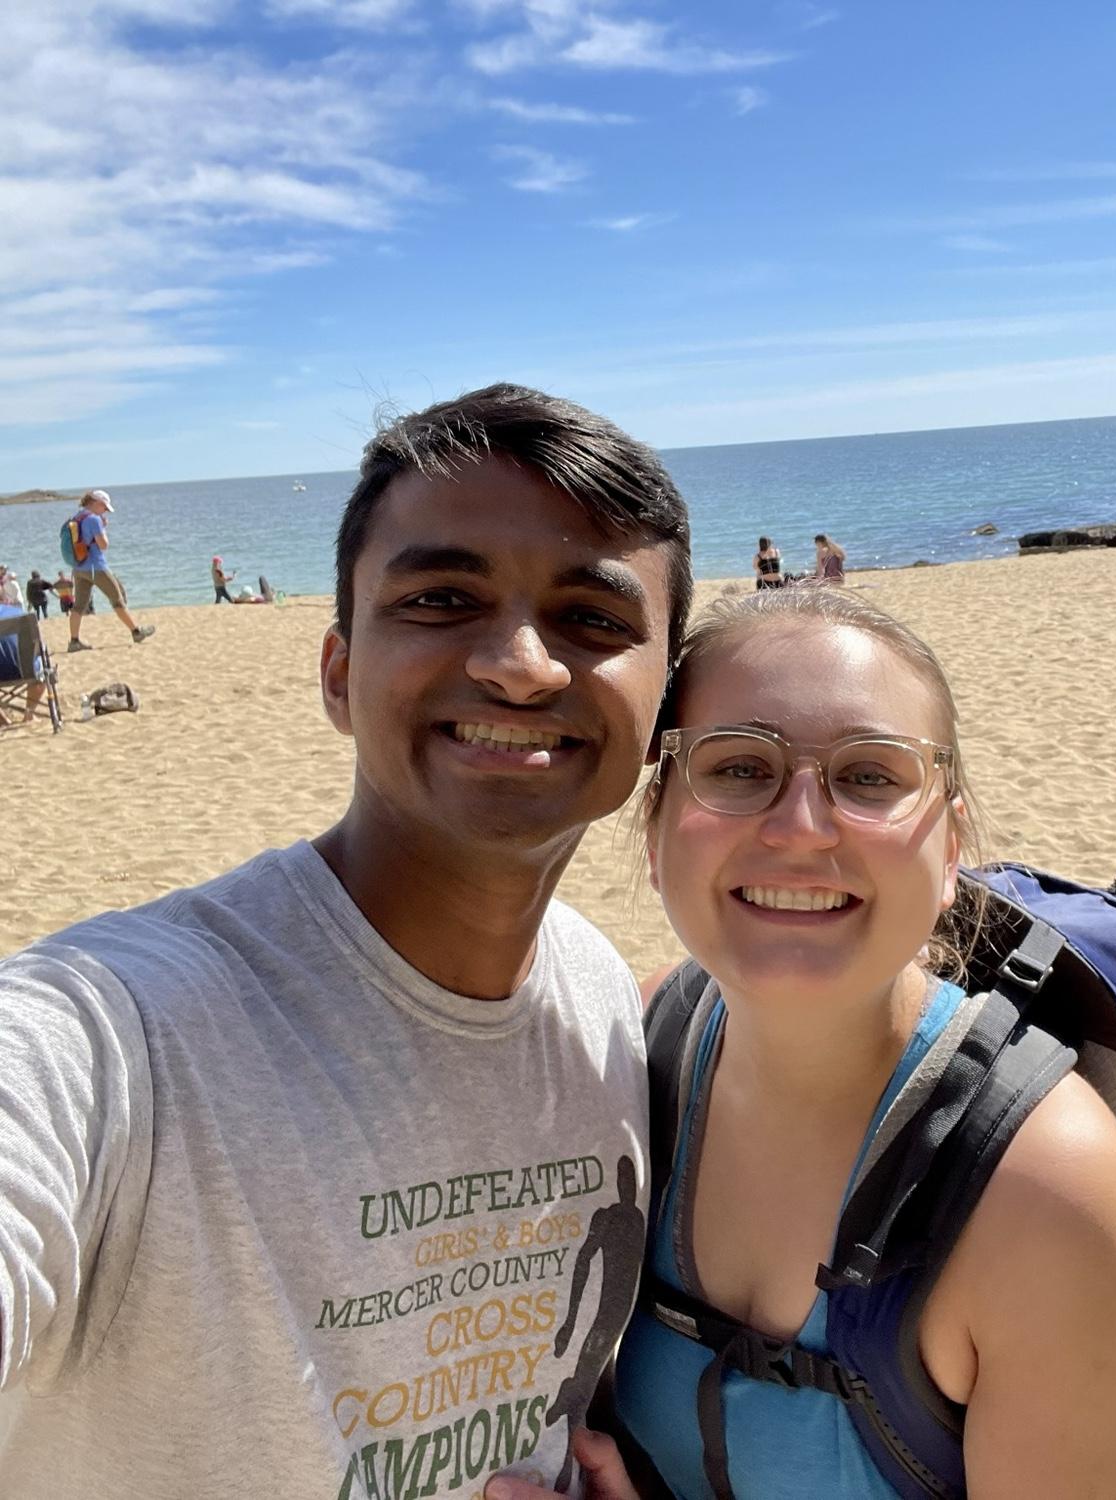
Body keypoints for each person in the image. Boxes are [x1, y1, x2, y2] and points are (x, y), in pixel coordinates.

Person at [0, 383, 694, 1497]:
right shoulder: (115, 1029)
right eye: (441, 598)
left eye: (595, 618)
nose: (520, 662)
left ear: (664, 706)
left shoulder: (602, 996)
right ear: (337, 673)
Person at [486, 588, 1116, 1500]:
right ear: (655, 833)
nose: (800, 828)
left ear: (950, 853)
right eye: (738, 768)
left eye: (869, 776)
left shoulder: (1044, 1191)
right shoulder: (647, 1043)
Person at [65, 488, 155, 652]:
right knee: (117, 598)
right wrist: (103, 527)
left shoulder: (77, 517)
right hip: (96, 566)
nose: (105, 511)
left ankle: (74, 641)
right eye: (104, 508)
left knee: (78, 606)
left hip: (78, 567)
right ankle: (136, 632)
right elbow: (103, 545)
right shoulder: (93, 519)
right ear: (96, 503)